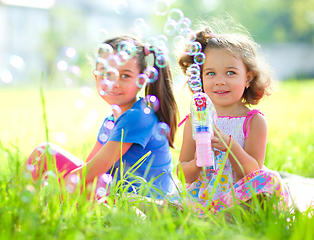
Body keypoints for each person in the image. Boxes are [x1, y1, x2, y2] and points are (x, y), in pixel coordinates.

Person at [25, 35, 179, 199]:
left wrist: (56, 194)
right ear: (95, 76)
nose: (114, 83)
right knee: (46, 156)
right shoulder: (111, 121)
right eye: (107, 74)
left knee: (44, 153)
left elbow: (90, 173)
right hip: (114, 198)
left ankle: (17, 208)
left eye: (125, 75)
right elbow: (89, 166)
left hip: (139, 208)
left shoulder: (137, 117)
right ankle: (20, 203)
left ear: (142, 80)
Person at [166, 22, 290, 214]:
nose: (220, 81)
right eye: (210, 73)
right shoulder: (195, 120)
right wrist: (196, 163)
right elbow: (183, 175)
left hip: (238, 197)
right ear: (200, 78)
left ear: (248, 77)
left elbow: (251, 173)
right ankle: (206, 218)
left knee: (268, 180)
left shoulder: (254, 121)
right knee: (167, 204)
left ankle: (215, 218)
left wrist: (230, 146)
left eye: (231, 72)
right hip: (202, 197)